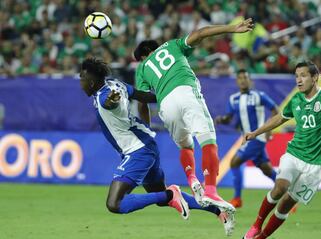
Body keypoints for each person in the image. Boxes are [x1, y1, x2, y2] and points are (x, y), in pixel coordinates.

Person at [79, 58, 235, 236]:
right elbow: (142, 95)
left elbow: (109, 102)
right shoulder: (116, 84)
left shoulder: (104, 96)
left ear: (91, 82)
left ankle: (172, 194)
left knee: (115, 204)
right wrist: (165, 95)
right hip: (145, 145)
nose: (80, 83)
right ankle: (218, 210)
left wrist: (112, 101)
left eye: (82, 79)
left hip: (138, 150)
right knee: (160, 197)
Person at [134, 18, 254, 213]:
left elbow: (142, 103)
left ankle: (192, 179)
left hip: (165, 103)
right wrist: (232, 28)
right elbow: (200, 33)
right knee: (208, 140)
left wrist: (146, 128)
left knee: (185, 145)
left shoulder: (142, 68)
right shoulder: (173, 45)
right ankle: (211, 191)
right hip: (186, 90)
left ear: (143, 56)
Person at [242, 61, 321, 239]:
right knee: (280, 188)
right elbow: (280, 118)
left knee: (287, 203)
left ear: (314, 77)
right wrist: (256, 132)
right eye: (296, 76)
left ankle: (262, 236)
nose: (299, 80)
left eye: (303, 75)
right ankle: (256, 226)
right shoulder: (296, 99)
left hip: (316, 163)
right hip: (294, 154)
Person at [214, 69, 278, 208]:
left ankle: (237, 199)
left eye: (245, 77)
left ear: (250, 80)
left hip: (258, 137)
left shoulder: (259, 95)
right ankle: (288, 195)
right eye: (240, 78)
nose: (243, 80)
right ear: (237, 81)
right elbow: (229, 118)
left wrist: (269, 130)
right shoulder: (233, 99)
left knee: (234, 162)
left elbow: (275, 110)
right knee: (267, 169)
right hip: (246, 138)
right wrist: (222, 119)